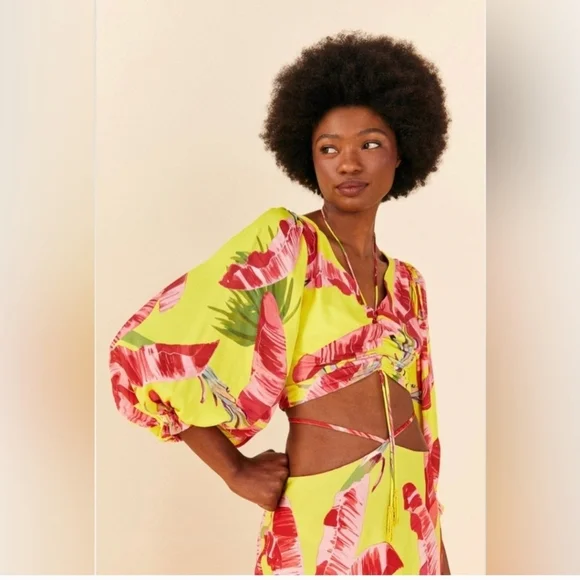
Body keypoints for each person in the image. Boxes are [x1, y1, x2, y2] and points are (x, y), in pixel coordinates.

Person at [109, 31, 451, 575]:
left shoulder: (409, 284)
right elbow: (139, 360)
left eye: (369, 144)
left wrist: (437, 550)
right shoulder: (286, 244)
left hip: (412, 527)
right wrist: (235, 471)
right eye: (329, 148)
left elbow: (425, 425)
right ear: (308, 159)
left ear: (402, 151)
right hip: (323, 522)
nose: (348, 163)